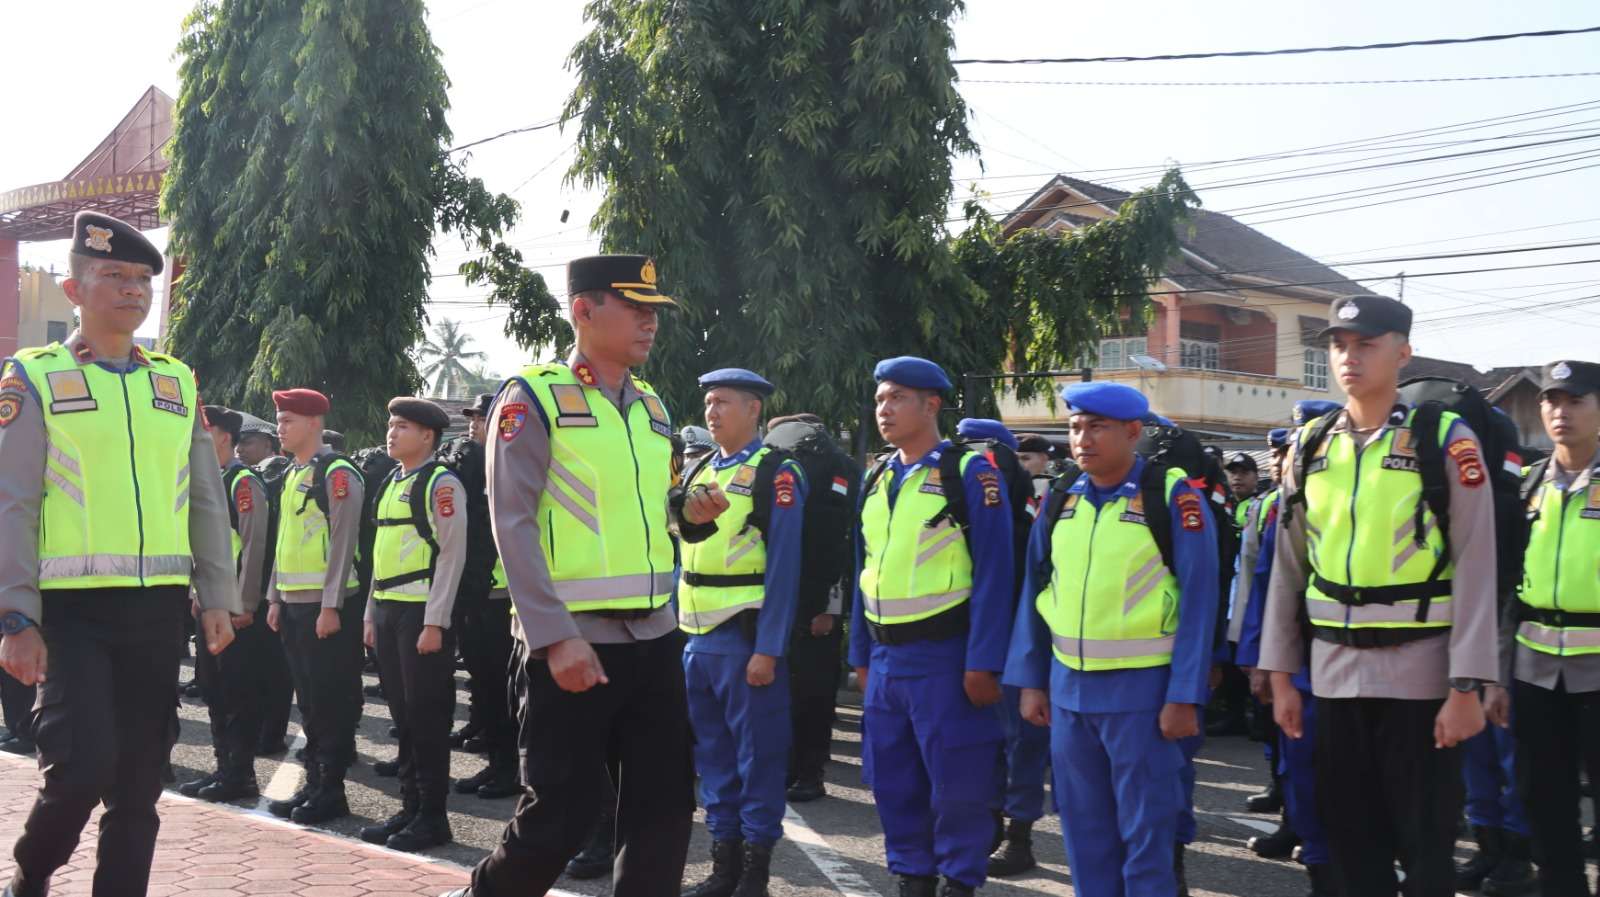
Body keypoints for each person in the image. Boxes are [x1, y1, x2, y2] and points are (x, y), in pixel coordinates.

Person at [0, 211, 239, 897]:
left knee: (138, 785)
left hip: (158, 611)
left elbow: (204, 498)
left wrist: (217, 597)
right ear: (75, 290)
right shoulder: (33, 377)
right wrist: (15, 615)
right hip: (71, 613)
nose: (133, 290)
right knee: (81, 768)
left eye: (142, 279)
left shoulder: (176, 382)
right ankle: (30, 872)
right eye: (113, 275)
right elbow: (11, 502)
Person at [446, 254, 693, 897]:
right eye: (634, 309)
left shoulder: (653, 408)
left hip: (656, 640)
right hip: (573, 643)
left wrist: (689, 512)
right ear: (583, 310)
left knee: (663, 810)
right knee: (560, 816)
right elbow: (513, 521)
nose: (649, 324)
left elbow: (649, 510)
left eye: (653, 312)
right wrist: (554, 636)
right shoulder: (534, 396)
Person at [1259, 294, 1498, 897]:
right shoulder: (1312, 444)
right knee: (1348, 845)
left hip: (1420, 678)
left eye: (1365, 344)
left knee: (1425, 847)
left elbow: (1476, 563)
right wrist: (1282, 676)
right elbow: (1288, 566)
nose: (1349, 357)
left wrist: (1466, 687)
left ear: (1403, 351)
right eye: (1339, 345)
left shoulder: (1442, 437)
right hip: (1334, 678)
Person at [1005, 381, 1218, 897]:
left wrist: (1185, 696)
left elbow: (1200, 602)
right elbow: (1036, 592)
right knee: (1085, 836)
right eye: (1076, 428)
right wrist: (1031, 681)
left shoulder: (1172, 497)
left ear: (1132, 432)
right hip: (1069, 694)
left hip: (1142, 696)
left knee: (1145, 841)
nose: (1083, 439)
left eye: (1097, 427)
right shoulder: (1062, 497)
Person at [848, 357, 1014, 897]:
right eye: (879, 399)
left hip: (946, 656)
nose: (884, 409)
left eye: (896, 398)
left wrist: (984, 662)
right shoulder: (877, 477)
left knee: (957, 785)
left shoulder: (970, 473)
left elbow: (996, 573)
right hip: (887, 657)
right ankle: (911, 879)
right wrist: (860, 658)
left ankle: (960, 882)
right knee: (893, 783)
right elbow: (863, 569)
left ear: (931, 405)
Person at [673, 368, 807, 897]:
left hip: (745, 636)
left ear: (753, 410)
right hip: (697, 636)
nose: (712, 411)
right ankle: (723, 867)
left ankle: (754, 874)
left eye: (724, 401)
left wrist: (769, 648)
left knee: (758, 760)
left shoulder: (777, 470)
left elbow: (785, 566)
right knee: (714, 762)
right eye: (708, 401)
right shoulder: (701, 467)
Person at [1495, 359, 1600, 897]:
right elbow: (1508, 582)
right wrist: (1495, 674)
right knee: (1543, 797)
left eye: (1576, 400)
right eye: (1551, 401)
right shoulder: (1530, 484)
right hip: (1536, 672)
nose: (1561, 412)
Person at [360, 398, 467, 852]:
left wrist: (436, 622)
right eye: (391, 425)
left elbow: (451, 554)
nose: (392, 433)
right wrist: (369, 614)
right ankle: (409, 807)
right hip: (387, 610)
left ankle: (432, 817)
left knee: (425, 719)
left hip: (421, 615)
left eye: (402, 427)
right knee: (402, 717)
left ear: (428, 436)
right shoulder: (391, 480)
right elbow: (378, 557)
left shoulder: (441, 483)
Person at [1236, 418, 1336, 896]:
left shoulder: (1341, 498)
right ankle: (1309, 846)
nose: (1282, 461)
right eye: (1281, 453)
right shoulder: (1280, 508)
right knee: (1297, 765)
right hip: (1296, 663)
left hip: (1348, 661)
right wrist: (1258, 656)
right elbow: (1266, 587)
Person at [264, 388, 365, 825]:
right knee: (307, 700)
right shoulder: (292, 472)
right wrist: (273, 596)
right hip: (292, 604)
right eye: (280, 420)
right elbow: (284, 540)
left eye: (288, 420)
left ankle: (332, 790)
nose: (280, 429)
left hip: (325, 609)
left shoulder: (337, 472)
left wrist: (331, 605)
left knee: (330, 699)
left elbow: (344, 543)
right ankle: (314, 783)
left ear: (313, 424)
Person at [955, 418, 1050, 878]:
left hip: (1009, 632)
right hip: (986, 630)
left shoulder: (985, 466)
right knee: (998, 740)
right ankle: (998, 828)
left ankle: (1017, 836)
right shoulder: (985, 468)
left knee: (1016, 741)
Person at [178, 406, 272, 803]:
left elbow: (253, 546)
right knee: (214, 691)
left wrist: (244, 601)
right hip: (208, 606)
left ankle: (240, 775)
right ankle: (223, 769)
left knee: (237, 693)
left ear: (221, 436)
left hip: (234, 611)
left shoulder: (243, 481)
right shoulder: (208, 480)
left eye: (204, 430)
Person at [452, 392, 519, 801]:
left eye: (482, 418)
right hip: (475, 591)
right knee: (484, 684)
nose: (475, 425)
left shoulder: (508, 465)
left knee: (502, 688)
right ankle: (496, 762)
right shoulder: (470, 466)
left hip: (502, 594)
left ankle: (510, 768)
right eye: (473, 419)